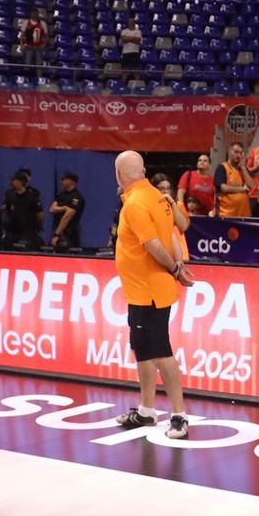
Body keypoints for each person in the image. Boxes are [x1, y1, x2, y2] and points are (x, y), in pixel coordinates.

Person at [112, 150, 193, 439]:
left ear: (119, 175)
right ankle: (146, 411)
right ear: (143, 171)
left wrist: (174, 269)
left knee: (161, 353)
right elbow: (171, 233)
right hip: (140, 291)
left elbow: (154, 245)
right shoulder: (158, 198)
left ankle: (179, 416)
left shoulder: (135, 203)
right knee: (143, 351)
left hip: (150, 292)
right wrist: (179, 266)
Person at [1, 169, 44, 250]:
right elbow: (6, 209)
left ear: (20, 182)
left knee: (24, 245)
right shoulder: (10, 194)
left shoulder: (32, 196)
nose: (11, 182)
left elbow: (40, 215)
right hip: (12, 230)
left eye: (14, 180)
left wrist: (36, 225)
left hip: (27, 231)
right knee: (6, 243)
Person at [215, 142, 253, 218]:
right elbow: (224, 188)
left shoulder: (244, 169)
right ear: (229, 152)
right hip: (226, 214)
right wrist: (242, 189)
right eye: (236, 152)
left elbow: (251, 186)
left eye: (240, 153)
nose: (238, 155)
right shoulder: (222, 167)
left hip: (244, 215)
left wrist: (243, 167)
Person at [49, 171, 85, 249]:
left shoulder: (76, 197)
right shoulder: (61, 194)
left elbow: (67, 216)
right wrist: (64, 208)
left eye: (63, 180)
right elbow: (52, 209)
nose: (61, 182)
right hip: (57, 229)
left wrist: (57, 234)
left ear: (71, 181)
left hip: (69, 233)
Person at [19, 7, 48, 78]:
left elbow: (46, 35)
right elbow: (22, 35)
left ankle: (39, 79)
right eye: (33, 13)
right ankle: (26, 79)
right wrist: (22, 44)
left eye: (36, 13)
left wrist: (44, 44)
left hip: (39, 47)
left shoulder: (42, 23)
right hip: (29, 47)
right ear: (30, 14)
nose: (35, 14)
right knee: (27, 64)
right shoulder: (26, 22)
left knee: (39, 65)